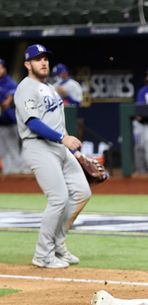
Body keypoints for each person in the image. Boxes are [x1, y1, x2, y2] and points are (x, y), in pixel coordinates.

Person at [14, 44, 91, 268]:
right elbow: (34, 123)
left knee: (82, 191)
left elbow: (57, 122)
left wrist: (72, 149)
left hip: (59, 147)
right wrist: (62, 139)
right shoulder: (26, 87)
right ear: (28, 64)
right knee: (58, 198)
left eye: (45, 58)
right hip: (39, 146)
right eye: (38, 59)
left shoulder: (49, 88)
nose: (44, 62)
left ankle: (58, 244)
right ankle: (42, 254)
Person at [0, 58, 24, 174]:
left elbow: (8, 100)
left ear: (4, 68)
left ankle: (17, 175)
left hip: (11, 122)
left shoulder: (10, 82)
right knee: (3, 151)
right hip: (1, 124)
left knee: (13, 149)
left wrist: (7, 100)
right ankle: (7, 175)